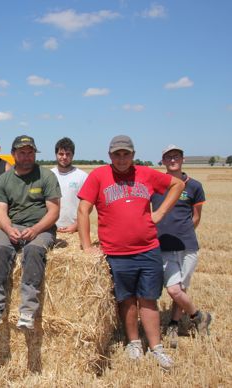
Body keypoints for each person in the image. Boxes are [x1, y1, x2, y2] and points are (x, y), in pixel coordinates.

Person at [77, 135, 184, 370]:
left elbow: (178, 185)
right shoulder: (98, 176)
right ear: (110, 156)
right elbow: (83, 209)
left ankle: (157, 347)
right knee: (126, 301)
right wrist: (86, 246)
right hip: (116, 253)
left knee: (149, 299)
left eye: (126, 154)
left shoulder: (145, 174)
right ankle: (134, 342)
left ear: (133, 155)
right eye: (117, 154)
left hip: (148, 249)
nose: (122, 159)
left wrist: (161, 213)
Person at [0, 135, 61, 330]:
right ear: (13, 155)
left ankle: (27, 310)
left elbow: (53, 211)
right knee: (0, 247)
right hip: (14, 225)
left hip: (42, 227)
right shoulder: (4, 179)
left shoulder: (46, 177)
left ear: (35, 154)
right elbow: (0, 211)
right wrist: (9, 230)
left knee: (34, 250)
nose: (26, 157)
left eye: (30, 153)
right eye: (22, 153)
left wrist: (36, 230)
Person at [151, 144, 212, 348]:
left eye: (176, 156)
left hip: (187, 245)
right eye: (168, 157)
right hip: (164, 245)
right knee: (174, 290)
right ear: (163, 161)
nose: (173, 160)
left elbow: (196, 217)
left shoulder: (194, 186)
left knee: (181, 288)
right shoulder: (157, 185)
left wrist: (182, 231)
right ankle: (199, 316)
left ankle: (174, 324)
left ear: (182, 159)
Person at [50, 137, 88, 233]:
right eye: (61, 154)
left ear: (73, 155)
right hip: (51, 228)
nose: (64, 157)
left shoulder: (82, 176)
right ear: (56, 154)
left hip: (75, 229)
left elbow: (87, 205)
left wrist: (76, 225)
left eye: (68, 154)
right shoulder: (48, 176)